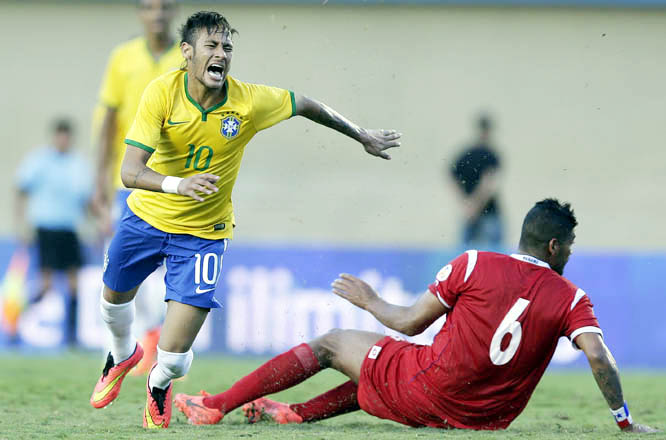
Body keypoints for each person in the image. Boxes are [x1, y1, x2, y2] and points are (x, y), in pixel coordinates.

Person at [89, 10, 402, 430]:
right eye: (211, 46)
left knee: (175, 358)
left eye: (227, 47)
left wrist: (360, 133)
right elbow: (129, 172)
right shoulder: (161, 93)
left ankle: (158, 386)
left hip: (203, 234)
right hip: (146, 218)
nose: (221, 54)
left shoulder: (248, 100)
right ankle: (121, 354)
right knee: (111, 303)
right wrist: (179, 186)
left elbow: (306, 104)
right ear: (187, 53)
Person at [175, 198, 656, 434]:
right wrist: (623, 419)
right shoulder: (572, 298)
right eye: (569, 245)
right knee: (392, 366)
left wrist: (369, 301)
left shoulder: (474, 263)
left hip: (428, 392)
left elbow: (406, 322)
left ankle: (215, 404)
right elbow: (597, 357)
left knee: (335, 343)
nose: (570, 253)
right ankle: (296, 413)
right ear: (554, 246)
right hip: (484, 420)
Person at [93, 0, 182, 374]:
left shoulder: (187, 56)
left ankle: (159, 344)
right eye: (149, 6)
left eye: (164, 7)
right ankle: (122, 347)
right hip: (127, 181)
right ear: (139, 13)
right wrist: (97, 183)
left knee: (172, 267)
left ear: (174, 11)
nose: (157, 14)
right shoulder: (122, 58)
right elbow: (107, 124)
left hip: (174, 182)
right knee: (120, 266)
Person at [14, 118, 93, 346]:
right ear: (54, 136)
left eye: (66, 136)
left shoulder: (78, 164)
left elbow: (86, 199)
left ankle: (71, 337)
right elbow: (21, 190)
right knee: (46, 284)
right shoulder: (39, 160)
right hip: (46, 228)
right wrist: (21, 224)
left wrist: (98, 225)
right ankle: (16, 322)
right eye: (60, 135)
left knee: (74, 284)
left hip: (69, 229)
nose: (63, 140)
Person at [450, 114, 503, 248]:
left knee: (464, 252)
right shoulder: (491, 155)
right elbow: (488, 183)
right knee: (495, 252)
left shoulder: (465, 154)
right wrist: (475, 205)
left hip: (470, 210)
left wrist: (467, 204)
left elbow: (453, 178)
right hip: (489, 211)